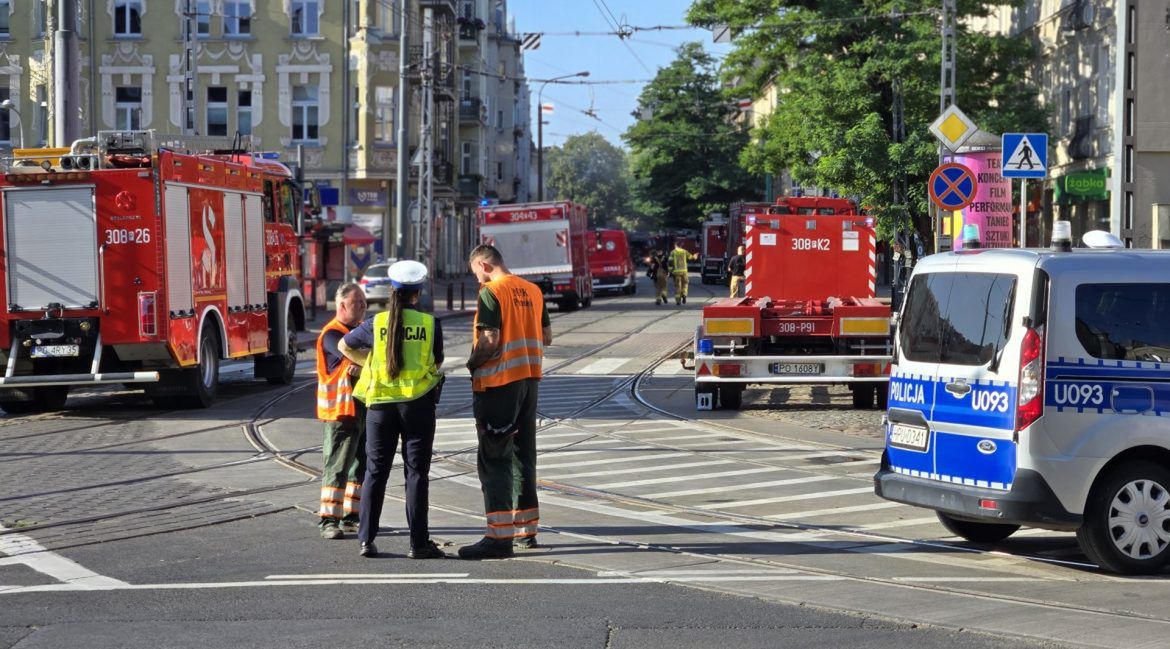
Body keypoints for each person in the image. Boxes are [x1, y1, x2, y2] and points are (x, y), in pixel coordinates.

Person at [339, 260, 445, 560]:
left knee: (375, 472)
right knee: (416, 474)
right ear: (418, 291)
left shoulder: (377, 323)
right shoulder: (430, 324)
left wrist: (370, 364)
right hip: (418, 406)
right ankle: (418, 544)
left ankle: (366, 540)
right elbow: (436, 363)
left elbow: (345, 346)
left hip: (380, 409)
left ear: (392, 290)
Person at [458, 244, 553, 560]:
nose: (478, 282)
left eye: (476, 274)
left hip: (499, 384)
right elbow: (547, 337)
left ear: (484, 265)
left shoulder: (492, 292)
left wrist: (472, 363)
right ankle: (526, 531)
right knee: (523, 455)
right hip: (529, 381)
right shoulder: (533, 291)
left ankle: (498, 538)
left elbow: (489, 339)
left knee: (495, 457)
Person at [314, 283, 367, 540]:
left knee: (360, 467)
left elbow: (368, 357)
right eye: (359, 303)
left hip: (359, 409)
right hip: (340, 412)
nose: (363, 307)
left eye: (364, 303)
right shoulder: (333, 334)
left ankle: (351, 517)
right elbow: (355, 358)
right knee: (337, 466)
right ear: (343, 305)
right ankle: (328, 521)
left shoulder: (357, 331)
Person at [669, 238, 697, 305]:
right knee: (685, 284)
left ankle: (678, 301)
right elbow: (691, 258)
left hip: (676, 272)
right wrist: (695, 256)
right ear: (681, 246)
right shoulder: (684, 251)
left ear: (675, 245)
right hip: (684, 271)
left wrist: (670, 272)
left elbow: (670, 263)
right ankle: (684, 294)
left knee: (677, 286)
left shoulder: (673, 252)